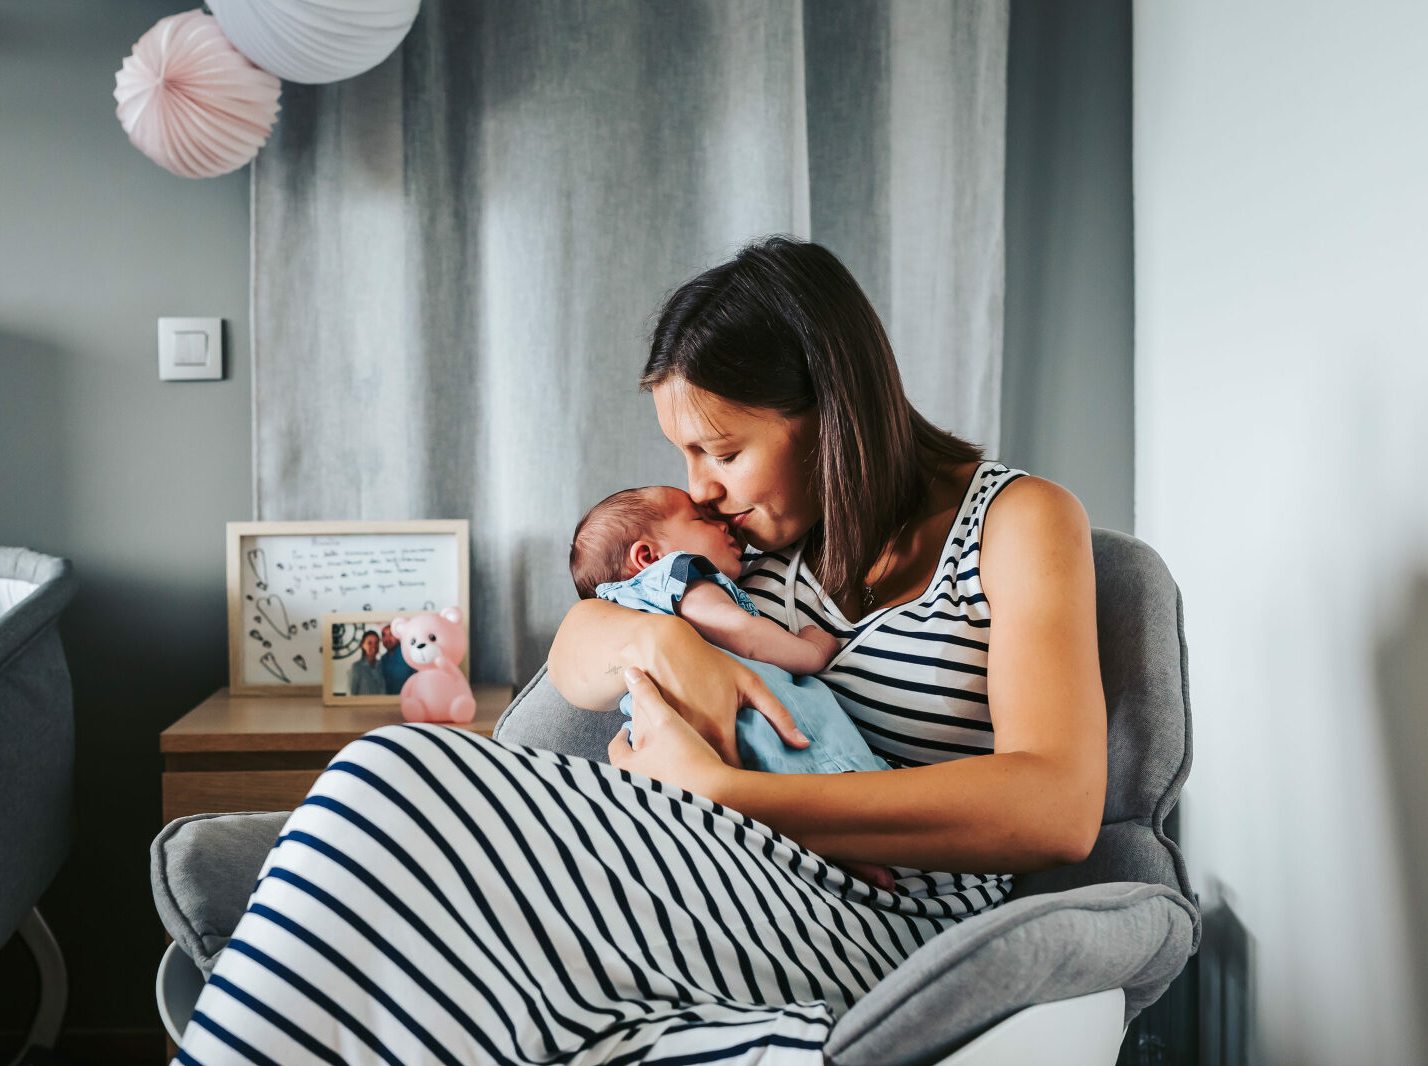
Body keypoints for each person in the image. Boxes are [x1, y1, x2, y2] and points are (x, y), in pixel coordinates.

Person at [177, 236, 1107, 1066]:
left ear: (831, 410)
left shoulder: (1017, 522)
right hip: (727, 865)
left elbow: (1056, 807)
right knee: (382, 773)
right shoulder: (758, 544)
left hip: (889, 915)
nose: (700, 490)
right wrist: (661, 639)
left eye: (722, 452)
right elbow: (580, 647)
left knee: (387, 788)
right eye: (686, 456)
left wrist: (736, 794)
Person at [570, 484, 891, 774]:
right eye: (700, 519)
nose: (723, 524)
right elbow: (743, 634)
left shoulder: (621, 612)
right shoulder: (673, 577)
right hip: (777, 744)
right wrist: (812, 649)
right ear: (647, 556)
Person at [347, 629, 386, 695]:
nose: (374, 646)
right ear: (363, 645)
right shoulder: (356, 667)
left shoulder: (382, 665)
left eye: (376, 642)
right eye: (369, 643)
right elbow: (352, 694)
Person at [378, 624, 413, 696]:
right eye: (384, 635)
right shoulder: (383, 659)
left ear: (398, 637)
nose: (387, 639)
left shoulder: (408, 655)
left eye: (391, 634)